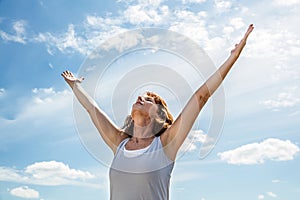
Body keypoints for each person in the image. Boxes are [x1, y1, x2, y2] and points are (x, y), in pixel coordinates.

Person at [61, 24, 254, 200]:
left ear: (159, 115)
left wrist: (233, 58)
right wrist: (75, 86)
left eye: (149, 100)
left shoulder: (165, 145)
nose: (140, 99)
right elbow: (91, 109)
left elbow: (200, 97)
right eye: (140, 97)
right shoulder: (119, 143)